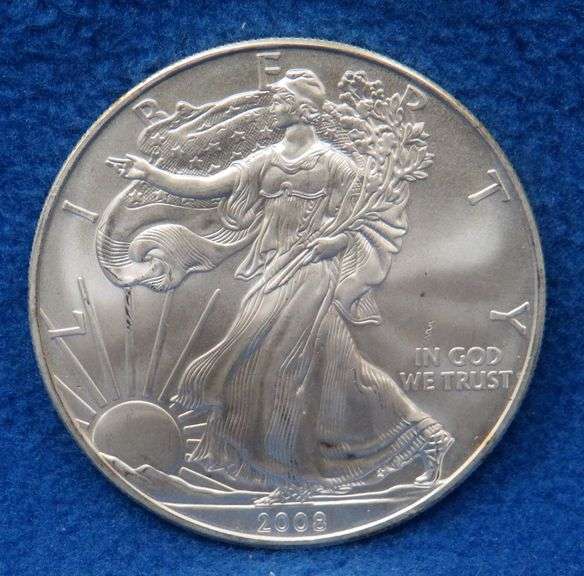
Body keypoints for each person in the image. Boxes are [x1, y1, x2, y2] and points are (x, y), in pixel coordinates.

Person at [109, 69, 453, 502]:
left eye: (280, 99)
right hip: (275, 268)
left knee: (275, 366)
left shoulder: (334, 164)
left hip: (312, 272)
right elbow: (208, 187)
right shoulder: (266, 160)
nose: (272, 105)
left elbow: (372, 220)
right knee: (343, 371)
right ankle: (427, 438)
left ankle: (294, 479)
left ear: (302, 108)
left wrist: (336, 242)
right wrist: (151, 174)